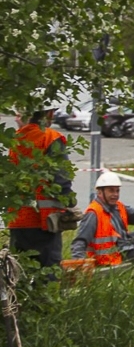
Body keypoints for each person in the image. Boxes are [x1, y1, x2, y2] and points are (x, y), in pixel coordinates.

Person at [6, 101, 78, 274]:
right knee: (48, 275)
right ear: (49, 114)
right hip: (44, 221)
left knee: (20, 274)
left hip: (18, 220)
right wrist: (70, 202)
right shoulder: (51, 138)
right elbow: (61, 179)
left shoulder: (16, 139)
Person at [70, 171, 134, 265]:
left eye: (117, 191)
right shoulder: (93, 213)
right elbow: (80, 241)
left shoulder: (116, 206)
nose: (115, 194)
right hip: (113, 258)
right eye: (111, 191)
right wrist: (80, 264)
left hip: (123, 245)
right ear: (100, 192)